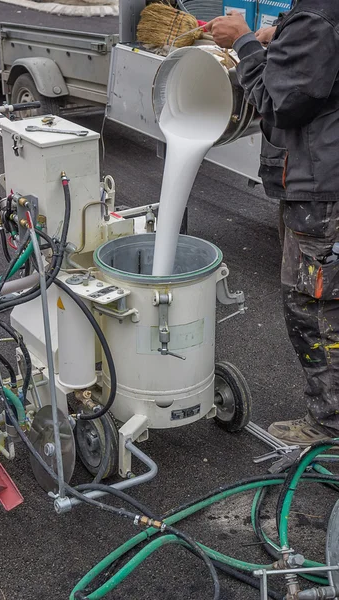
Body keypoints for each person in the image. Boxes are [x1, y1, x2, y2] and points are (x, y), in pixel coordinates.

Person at [206, 1, 339, 447]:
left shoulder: (316, 19)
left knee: (314, 308)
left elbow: (278, 103)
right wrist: (280, 35)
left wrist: (244, 43)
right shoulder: (314, 17)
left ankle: (330, 425)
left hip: (320, 188)